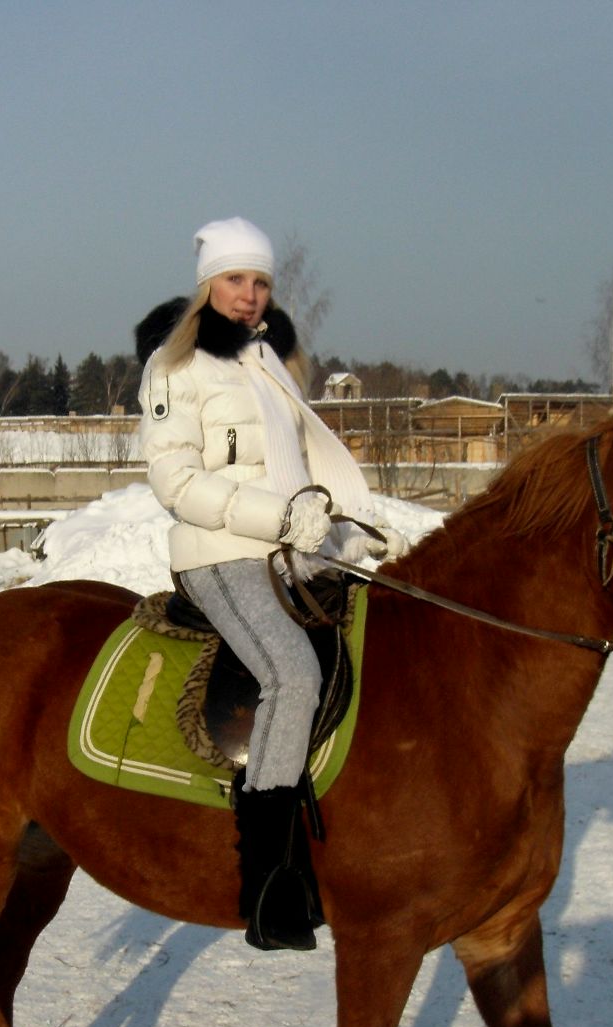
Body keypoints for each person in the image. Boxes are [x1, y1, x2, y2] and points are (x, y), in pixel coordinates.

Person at [138, 216, 399, 952]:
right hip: (218, 553)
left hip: (288, 551)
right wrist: (277, 518)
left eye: (259, 282)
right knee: (291, 670)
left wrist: (339, 528)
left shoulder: (271, 363)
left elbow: (301, 469)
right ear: (207, 286)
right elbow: (175, 482)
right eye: (234, 280)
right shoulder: (174, 366)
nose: (249, 294)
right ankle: (268, 880)